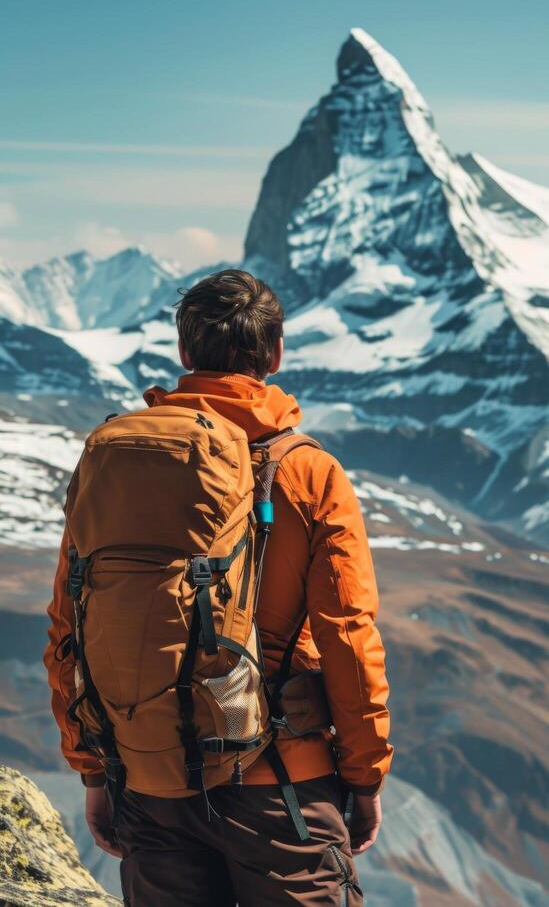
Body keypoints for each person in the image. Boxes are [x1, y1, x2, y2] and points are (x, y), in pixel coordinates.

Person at [44, 269, 393, 906]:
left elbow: (69, 625)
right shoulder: (308, 471)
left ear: (184, 354)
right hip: (282, 784)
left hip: (150, 778)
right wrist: (365, 775)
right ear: (276, 354)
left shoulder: (116, 463)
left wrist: (95, 767)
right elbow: (349, 634)